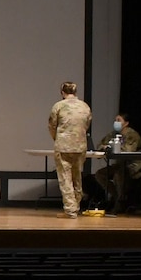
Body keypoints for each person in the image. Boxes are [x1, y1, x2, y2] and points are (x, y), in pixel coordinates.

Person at [48, 81, 92, 219]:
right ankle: (76, 206)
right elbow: (87, 124)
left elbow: (52, 125)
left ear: (62, 92)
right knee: (77, 176)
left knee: (65, 178)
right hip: (80, 145)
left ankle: (70, 210)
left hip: (63, 146)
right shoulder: (85, 106)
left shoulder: (59, 106)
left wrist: (57, 139)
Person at [99, 112, 141, 214]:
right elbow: (101, 144)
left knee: (118, 174)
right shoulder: (113, 134)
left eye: (119, 120)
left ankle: (120, 202)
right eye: (115, 120)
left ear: (126, 123)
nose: (116, 122)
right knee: (100, 174)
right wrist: (105, 147)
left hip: (133, 166)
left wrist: (111, 146)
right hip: (120, 165)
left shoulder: (132, 135)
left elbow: (128, 151)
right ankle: (117, 197)